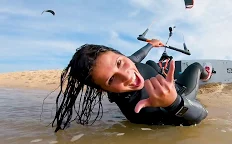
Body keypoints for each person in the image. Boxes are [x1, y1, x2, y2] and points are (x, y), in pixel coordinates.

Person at [51, 39, 213, 132]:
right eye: (111, 80)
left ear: (121, 55)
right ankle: (206, 76)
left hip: (165, 84)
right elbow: (199, 116)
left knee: (149, 62)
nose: (127, 75)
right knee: (196, 67)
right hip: (180, 94)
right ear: (104, 90)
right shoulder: (139, 110)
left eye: (119, 62)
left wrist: (151, 44)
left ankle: (164, 75)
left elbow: (138, 55)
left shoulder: (129, 61)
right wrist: (173, 102)